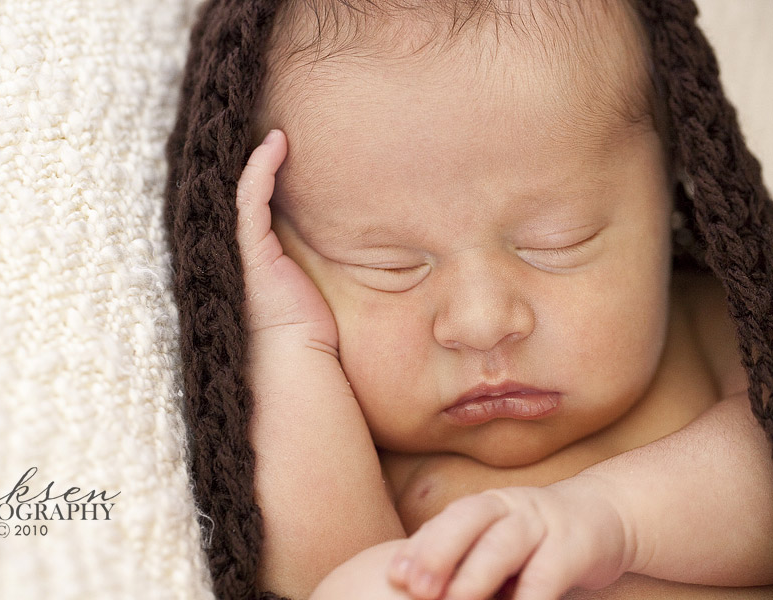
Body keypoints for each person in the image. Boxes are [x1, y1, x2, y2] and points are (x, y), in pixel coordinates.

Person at [232, 1, 773, 598]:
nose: (483, 323)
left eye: (558, 242)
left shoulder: (711, 326)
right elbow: (316, 576)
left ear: (673, 185)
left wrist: (615, 516)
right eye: (390, 267)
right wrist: (287, 340)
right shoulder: (353, 437)